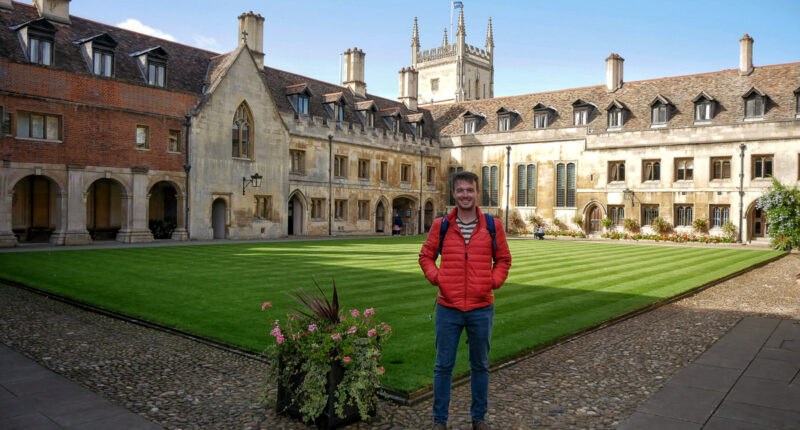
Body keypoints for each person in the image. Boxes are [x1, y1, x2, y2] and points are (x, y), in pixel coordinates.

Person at [418, 171, 512, 430]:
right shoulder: (441, 225)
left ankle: (478, 418)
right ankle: (440, 421)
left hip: (482, 307)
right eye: (460, 190)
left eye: (469, 190)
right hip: (448, 307)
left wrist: (492, 282)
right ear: (454, 193)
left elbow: (503, 259)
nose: (465, 195)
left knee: (480, 365)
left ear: (477, 192)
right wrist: (439, 279)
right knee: (443, 366)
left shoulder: (493, 225)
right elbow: (425, 256)